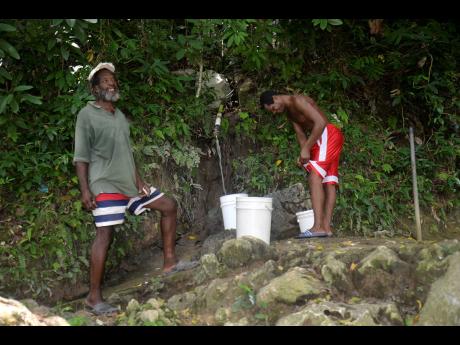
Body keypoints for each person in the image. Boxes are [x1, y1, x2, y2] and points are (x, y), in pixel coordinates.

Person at [73, 62, 197, 315]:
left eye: (113, 80)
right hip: (104, 183)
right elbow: (81, 156)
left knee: (168, 206)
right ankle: (93, 298)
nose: (112, 83)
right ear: (95, 88)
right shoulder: (86, 115)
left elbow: (126, 153)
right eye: (106, 80)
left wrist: (139, 181)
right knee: (104, 235)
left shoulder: (118, 115)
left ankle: (169, 264)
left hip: (129, 184)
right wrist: (85, 190)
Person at [260, 90, 344, 238]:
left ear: (275, 98)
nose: (274, 112)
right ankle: (326, 228)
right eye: (271, 112)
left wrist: (306, 148)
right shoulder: (289, 113)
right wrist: (304, 155)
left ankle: (317, 227)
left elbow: (321, 122)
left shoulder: (297, 101)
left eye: (273, 108)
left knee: (314, 178)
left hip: (327, 133)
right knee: (328, 182)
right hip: (322, 138)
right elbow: (301, 135)